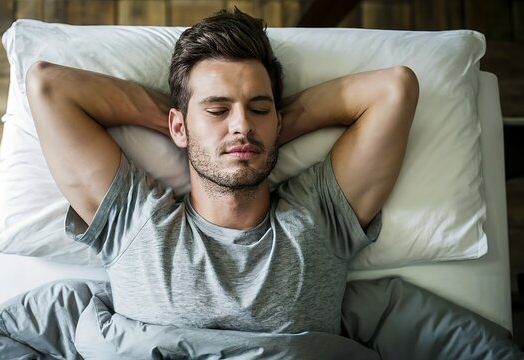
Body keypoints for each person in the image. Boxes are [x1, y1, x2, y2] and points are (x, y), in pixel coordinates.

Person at [25, 8, 418, 335]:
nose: (242, 125)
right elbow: (49, 86)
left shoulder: (320, 218)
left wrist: (265, 128)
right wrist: (191, 129)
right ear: (178, 126)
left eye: (259, 109)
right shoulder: (135, 221)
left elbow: (394, 89)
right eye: (217, 109)